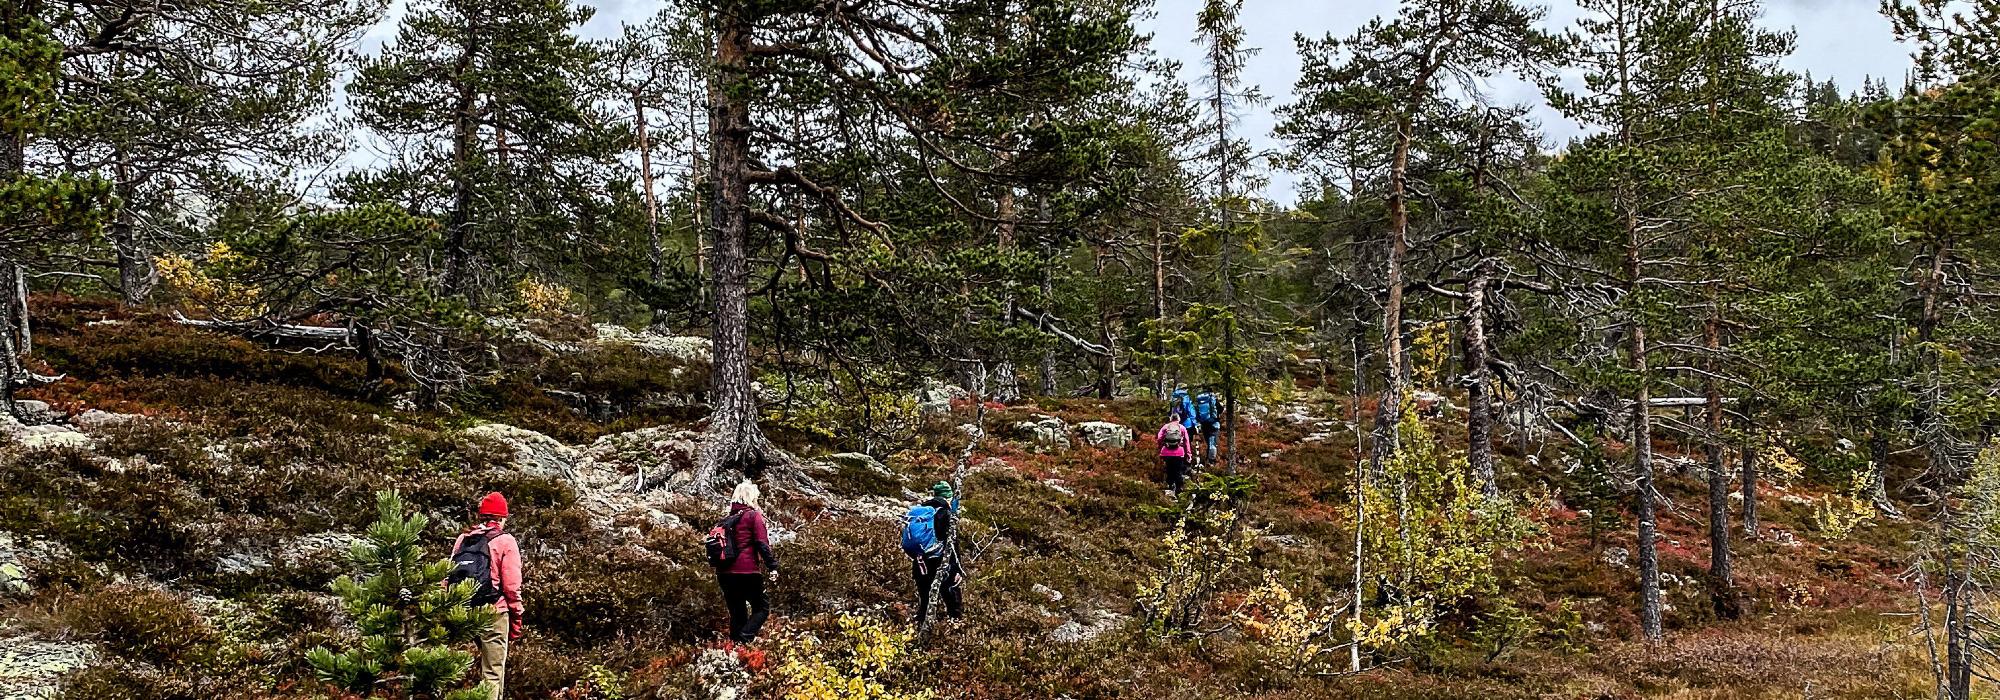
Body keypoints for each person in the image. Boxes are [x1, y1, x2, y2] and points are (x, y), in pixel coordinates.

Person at [452, 492, 523, 700]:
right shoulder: (505, 541)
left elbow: (447, 576)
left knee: (470, 670)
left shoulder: (464, 538)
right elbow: (512, 586)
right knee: (492, 673)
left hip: (465, 611)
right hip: (495, 613)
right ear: (502, 517)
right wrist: (516, 616)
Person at [716, 481, 779, 643]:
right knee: (761, 608)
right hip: (747, 571)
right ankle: (745, 639)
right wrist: (772, 566)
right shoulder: (753, 516)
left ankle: (735, 649)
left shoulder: (727, 520)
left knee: (737, 613)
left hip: (724, 574)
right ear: (752, 497)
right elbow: (762, 543)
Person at [902, 481, 963, 625]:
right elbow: (953, 543)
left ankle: (920, 627)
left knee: (925, 598)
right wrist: (956, 569)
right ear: (948, 497)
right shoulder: (945, 514)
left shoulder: (920, 512)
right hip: (939, 562)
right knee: (951, 594)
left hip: (919, 562)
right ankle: (955, 625)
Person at [1157, 413, 1192, 496]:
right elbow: (1187, 442)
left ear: (1170, 419)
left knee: (1169, 469)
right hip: (1179, 453)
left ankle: (1170, 486)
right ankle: (1179, 489)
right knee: (1178, 471)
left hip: (1166, 453)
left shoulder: (1165, 427)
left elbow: (1159, 438)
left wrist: (1161, 447)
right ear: (1178, 419)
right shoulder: (1182, 428)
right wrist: (1189, 455)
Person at [1171, 388, 1200, 465]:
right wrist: (1195, 424)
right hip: (1188, 425)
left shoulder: (1174, 399)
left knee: (1178, 443)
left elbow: (1172, 413)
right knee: (1187, 443)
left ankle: (1179, 462)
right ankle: (1187, 463)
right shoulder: (1187, 399)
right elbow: (1191, 413)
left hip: (1177, 425)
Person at [1193, 388, 1222, 465]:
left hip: (1204, 425)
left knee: (1208, 443)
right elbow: (1221, 409)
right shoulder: (1212, 398)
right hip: (1214, 425)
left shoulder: (1200, 399)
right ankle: (1211, 462)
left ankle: (1207, 459)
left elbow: (1196, 413)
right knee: (1212, 443)